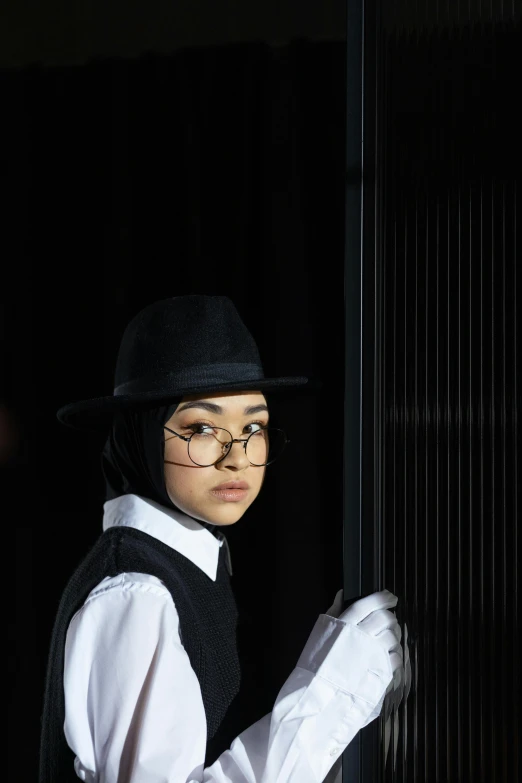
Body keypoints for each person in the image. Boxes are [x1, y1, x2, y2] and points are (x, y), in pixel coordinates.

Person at [39, 295, 404, 783]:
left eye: (254, 426)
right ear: (142, 435)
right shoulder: (138, 594)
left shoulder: (187, 566)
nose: (238, 457)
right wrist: (329, 691)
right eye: (203, 428)